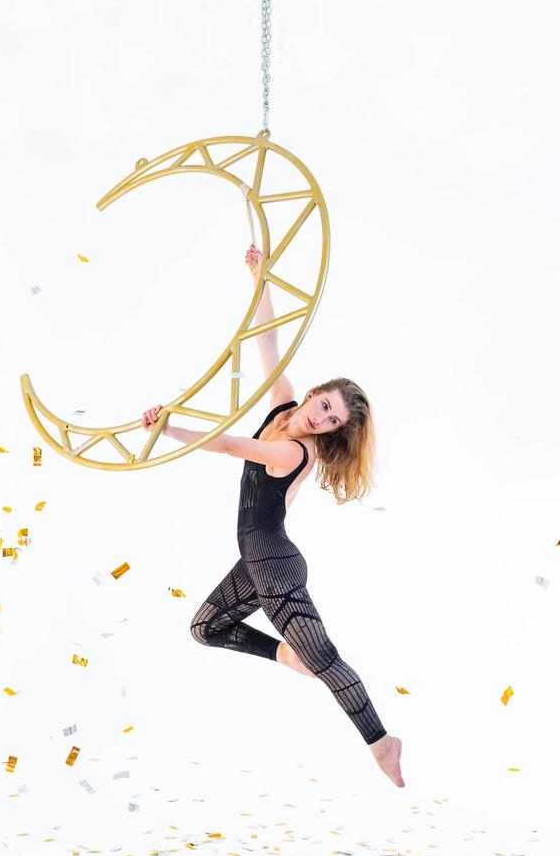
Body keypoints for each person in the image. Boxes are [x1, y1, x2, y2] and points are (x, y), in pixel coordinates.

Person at [141, 245, 404, 787]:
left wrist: (170, 427)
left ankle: (381, 742)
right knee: (205, 626)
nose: (321, 415)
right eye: (324, 403)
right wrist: (261, 279)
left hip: (276, 567)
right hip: (259, 561)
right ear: (314, 393)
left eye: (331, 419)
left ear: (331, 432)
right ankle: (283, 653)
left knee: (326, 661)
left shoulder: (294, 453)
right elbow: (268, 342)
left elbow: (233, 447)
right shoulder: (284, 406)